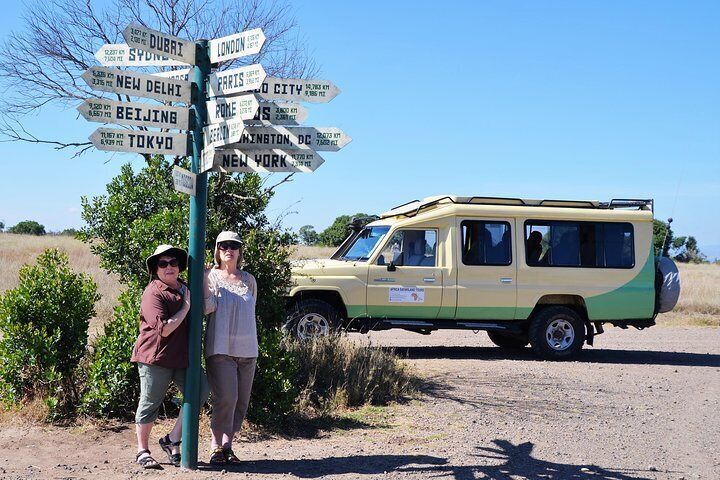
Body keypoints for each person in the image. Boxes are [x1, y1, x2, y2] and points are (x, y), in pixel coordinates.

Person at [131, 244, 209, 469]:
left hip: (182, 358)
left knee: (200, 391)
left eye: (173, 262)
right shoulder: (153, 292)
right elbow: (164, 329)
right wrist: (186, 307)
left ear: (179, 267)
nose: (169, 267)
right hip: (155, 358)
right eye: (163, 263)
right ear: (156, 268)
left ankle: (172, 439)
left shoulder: (185, 288)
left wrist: (203, 277)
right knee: (150, 402)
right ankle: (142, 451)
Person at [203, 231, 259, 465]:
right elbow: (207, 309)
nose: (229, 249)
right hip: (220, 347)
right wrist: (204, 281)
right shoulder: (211, 276)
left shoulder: (249, 279)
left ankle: (228, 446)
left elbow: (251, 307)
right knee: (226, 397)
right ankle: (215, 446)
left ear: (240, 250)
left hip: (248, 349)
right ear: (217, 249)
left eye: (234, 245)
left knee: (241, 401)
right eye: (224, 245)